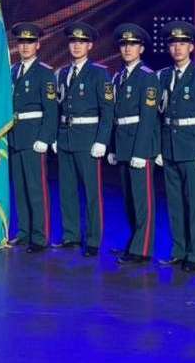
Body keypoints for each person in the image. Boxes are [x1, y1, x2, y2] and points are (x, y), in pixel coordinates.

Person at [155, 21, 195, 274]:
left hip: (193, 149)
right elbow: (159, 116)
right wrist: (158, 148)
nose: (177, 48)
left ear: (191, 47)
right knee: (174, 202)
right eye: (173, 44)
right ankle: (178, 250)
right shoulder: (162, 76)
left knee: (193, 203)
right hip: (169, 146)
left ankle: (194, 254)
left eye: (182, 43)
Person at [53, 22, 114, 257]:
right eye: (73, 42)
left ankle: (93, 240)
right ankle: (70, 236)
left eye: (81, 42)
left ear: (90, 45)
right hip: (66, 137)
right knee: (67, 190)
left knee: (91, 193)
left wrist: (102, 140)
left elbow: (107, 109)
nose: (76, 46)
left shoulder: (99, 73)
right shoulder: (63, 73)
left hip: (88, 139)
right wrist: (56, 135)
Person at [109, 23, 160, 265]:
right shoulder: (118, 77)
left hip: (140, 147)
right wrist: (112, 148)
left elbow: (149, 118)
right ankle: (134, 243)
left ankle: (142, 250)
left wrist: (141, 152)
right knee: (129, 200)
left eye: (132, 45)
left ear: (141, 48)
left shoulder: (148, 77)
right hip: (123, 145)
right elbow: (114, 116)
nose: (127, 49)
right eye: (123, 44)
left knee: (142, 201)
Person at [8, 23, 58, 253]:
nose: (25, 46)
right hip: (15, 135)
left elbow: (51, 109)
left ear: (38, 45)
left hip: (34, 136)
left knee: (36, 189)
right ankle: (25, 232)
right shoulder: (12, 71)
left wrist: (45, 138)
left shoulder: (45, 72)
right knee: (20, 187)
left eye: (30, 42)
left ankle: (40, 236)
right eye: (21, 42)